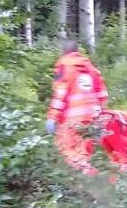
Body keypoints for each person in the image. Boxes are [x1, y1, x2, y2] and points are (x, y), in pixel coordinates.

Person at [46, 41, 108, 171]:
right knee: (84, 151)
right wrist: (100, 114)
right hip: (92, 117)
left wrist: (52, 117)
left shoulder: (64, 67)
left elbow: (60, 94)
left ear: (64, 51)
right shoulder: (91, 68)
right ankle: (90, 180)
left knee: (68, 149)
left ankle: (84, 179)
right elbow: (102, 94)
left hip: (72, 118)